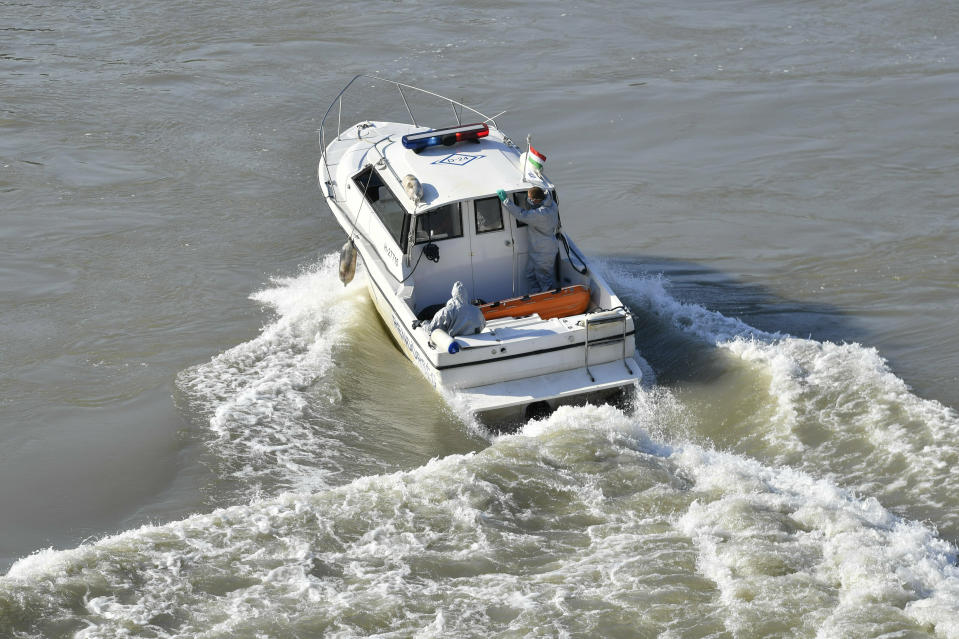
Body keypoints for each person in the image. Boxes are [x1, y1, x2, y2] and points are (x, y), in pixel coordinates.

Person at [497, 186, 559, 293]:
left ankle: (547, 301)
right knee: (530, 274)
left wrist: (506, 201)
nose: (528, 200)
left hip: (544, 251)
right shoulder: (551, 204)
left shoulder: (541, 214)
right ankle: (536, 294)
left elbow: (522, 215)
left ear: (535, 200)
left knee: (545, 280)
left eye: (530, 198)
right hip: (539, 248)